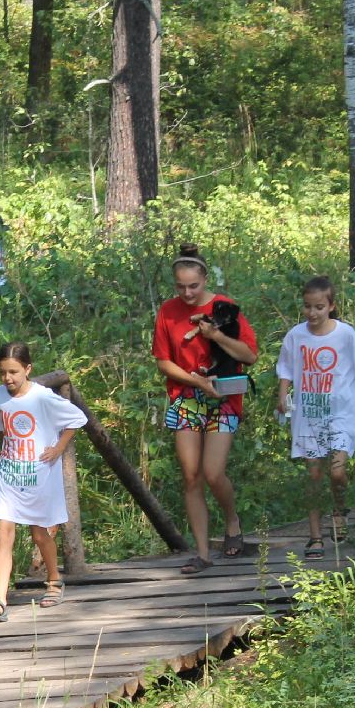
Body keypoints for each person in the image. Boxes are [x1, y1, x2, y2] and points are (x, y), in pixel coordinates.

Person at [151, 243, 259, 574]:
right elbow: (164, 362)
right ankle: (202, 553)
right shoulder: (168, 312)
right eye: (180, 286)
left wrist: (215, 335)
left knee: (213, 472)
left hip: (224, 396)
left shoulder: (225, 307)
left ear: (205, 279)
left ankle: (232, 522)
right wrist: (196, 382)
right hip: (187, 395)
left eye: (193, 286)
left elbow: (249, 356)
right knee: (191, 475)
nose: (186, 292)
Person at [275, 276, 355, 559]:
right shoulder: (296, 336)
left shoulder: (345, 335)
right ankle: (315, 537)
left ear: (331, 306)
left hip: (341, 413)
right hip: (309, 414)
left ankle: (339, 509)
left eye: (319, 307)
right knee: (313, 475)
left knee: (336, 471)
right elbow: (286, 367)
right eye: (308, 307)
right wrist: (283, 397)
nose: (312, 313)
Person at [0, 341, 86, 622]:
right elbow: (3, 428)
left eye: (14, 372)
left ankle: (54, 580)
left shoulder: (42, 397)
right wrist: (2, 452)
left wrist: (58, 448)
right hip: (9, 473)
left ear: (28, 369)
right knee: (4, 533)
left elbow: (77, 418)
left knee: (40, 533)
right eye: (3, 372)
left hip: (38, 473)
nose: (8, 379)